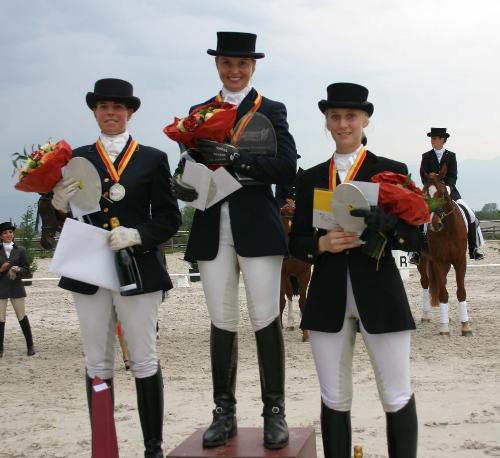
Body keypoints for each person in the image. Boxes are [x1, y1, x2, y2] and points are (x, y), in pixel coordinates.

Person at [171, 32, 297, 449]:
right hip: (212, 224)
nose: (235, 71)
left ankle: (274, 412)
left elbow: (285, 167)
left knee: (264, 316)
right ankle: (224, 412)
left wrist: (239, 159)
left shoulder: (271, 110)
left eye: (242, 64)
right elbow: (189, 160)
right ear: (217, 66)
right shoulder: (199, 112)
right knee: (222, 320)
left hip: (256, 222)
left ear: (254, 66)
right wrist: (181, 181)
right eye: (227, 63)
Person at [51, 78, 181, 457]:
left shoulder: (153, 158)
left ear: (130, 112)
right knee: (96, 359)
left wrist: (138, 235)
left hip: (137, 265)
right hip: (88, 267)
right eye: (105, 107)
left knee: (143, 357)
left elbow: (169, 219)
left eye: (118, 108)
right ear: (95, 111)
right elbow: (67, 215)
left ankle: (152, 448)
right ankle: (104, 447)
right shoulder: (76, 157)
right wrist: (58, 204)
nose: (111, 113)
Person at [288, 83, 419, 457]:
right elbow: (295, 241)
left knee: (396, 393)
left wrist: (388, 224)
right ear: (326, 122)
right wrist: (320, 245)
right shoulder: (311, 177)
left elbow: (414, 236)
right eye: (334, 117)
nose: (342, 124)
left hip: (380, 291)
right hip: (328, 295)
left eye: (350, 116)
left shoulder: (390, 171)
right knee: (333, 395)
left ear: (365, 120)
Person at [409, 127, 484, 264]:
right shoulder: (426, 156)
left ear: (442, 139)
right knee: (420, 218)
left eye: (435, 138)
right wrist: (430, 188)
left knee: (470, 214)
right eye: (431, 138)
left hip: (450, 191)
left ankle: (474, 248)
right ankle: (416, 251)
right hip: (432, 192)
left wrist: (448, 187)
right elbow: (424, 177)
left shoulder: (451, 156)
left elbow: (453, 175)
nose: (432, 140)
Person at [0, 221, 35, 357]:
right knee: (0, 319)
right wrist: (1, 269)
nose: (8, 234)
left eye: (10, 232)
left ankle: (30, 345)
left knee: (22, 316)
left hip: (16, 288)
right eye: (5, 233)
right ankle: (0, 348)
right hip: (1, 289)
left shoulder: (21, 250)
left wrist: (19, 269)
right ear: (1, 236)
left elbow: (27, 269)